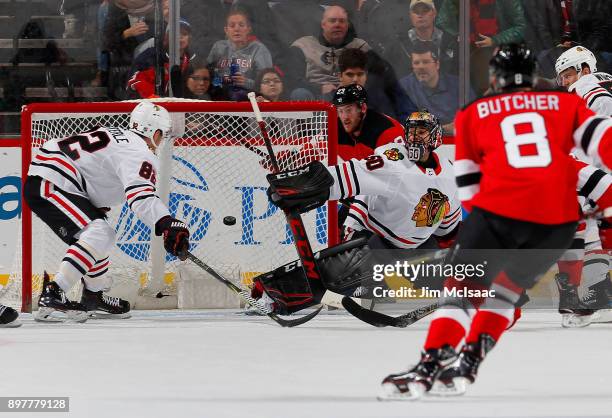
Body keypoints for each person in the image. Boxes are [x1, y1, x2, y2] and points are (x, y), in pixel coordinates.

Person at [377, 43, 612, 400]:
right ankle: (469, 363)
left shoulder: (476, 112)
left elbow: (470, 187)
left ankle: (430, 366)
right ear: (533, 76)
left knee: (461, 292)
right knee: (505, 294)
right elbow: (602, 150)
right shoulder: (566, 104)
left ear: (495, 77)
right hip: (555, 221)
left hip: (501, 212)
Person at [252, 110, 461, 314]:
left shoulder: (450, 174)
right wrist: (298, 185)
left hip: (412, 247)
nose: (414, 137)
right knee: (340, 277)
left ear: (436, 137)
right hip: (373, 234)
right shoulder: (393, 159)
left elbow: (448, 232)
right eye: (411, 131)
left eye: (422, 132)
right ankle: (269, 294)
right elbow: (349, 174)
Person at [23, 102, 190, 322]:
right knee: (100, 232)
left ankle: (93, 296)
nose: (160, 142)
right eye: (162, 135)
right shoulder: (139, 151)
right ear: (155, 132)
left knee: (100, 234)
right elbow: (141, 198)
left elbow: (93, 167)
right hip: (53, 181)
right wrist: (167, 222)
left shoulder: (117, 134)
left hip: (53, 177)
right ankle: (53, 293)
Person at [285, 5, 370, 99]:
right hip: (313, 95)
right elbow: (292, 78)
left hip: (351, 93)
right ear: (323, 24)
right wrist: (319, 88)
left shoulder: (361, 47)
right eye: (332, 21)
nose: (337, 25)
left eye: (342, 21)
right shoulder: (303, 45)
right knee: (299, 93)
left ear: (347, 25)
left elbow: (377, 76)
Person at [400, 41, 472, 135]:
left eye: (426, 62)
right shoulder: (403, 87)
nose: (421, 67)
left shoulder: (458, 85)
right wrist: (443, 129)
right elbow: (402, 126)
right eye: (416, 63)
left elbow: (474, 117)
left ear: (437, 64)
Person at [207, 8, 273, 101]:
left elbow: (267, 83)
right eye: (232, 25)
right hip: (220, 97)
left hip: (250, 99)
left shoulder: (259, 49)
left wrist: (246, 82)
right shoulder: (219, 47)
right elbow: (207, 74)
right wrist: (219, 80)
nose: (237, 29)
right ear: (226, 30)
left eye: (241, 25)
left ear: (248, 29)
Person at [335, 48, 416, 122]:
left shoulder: (377, 99)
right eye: (350, 75)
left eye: (360, 74)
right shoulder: (329, 103)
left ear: (366, 75)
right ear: (340, 76)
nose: (355, 79)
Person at [332, 84, 405, 162]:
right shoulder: (333, 128)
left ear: (363, 108)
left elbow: (400, 169)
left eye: (348, 110)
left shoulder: (387, 131)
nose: (344, 117)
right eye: (340, 111)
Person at [385, 0, 457, 78]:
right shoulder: (397, 46)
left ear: (434, 13)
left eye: (425, 10)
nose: (420, 15)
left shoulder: (452, 42)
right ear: (410, 15)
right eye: (416, 11)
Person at [127, 19, 195, 98]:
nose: (180, 37)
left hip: (181, 106)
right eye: (175, 34)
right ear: (167, 37)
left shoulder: (193, 61)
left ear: (189, 38)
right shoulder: (152, 55)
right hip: (148, 106)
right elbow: (133, 81)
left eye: (184, 34)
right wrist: (153, 98)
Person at [556, 46, 612, 116]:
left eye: (567, 76)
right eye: (562, 78)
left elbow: (605, 105)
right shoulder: (608, 77)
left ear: (585, 72)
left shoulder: (582, 86)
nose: (564, 83)